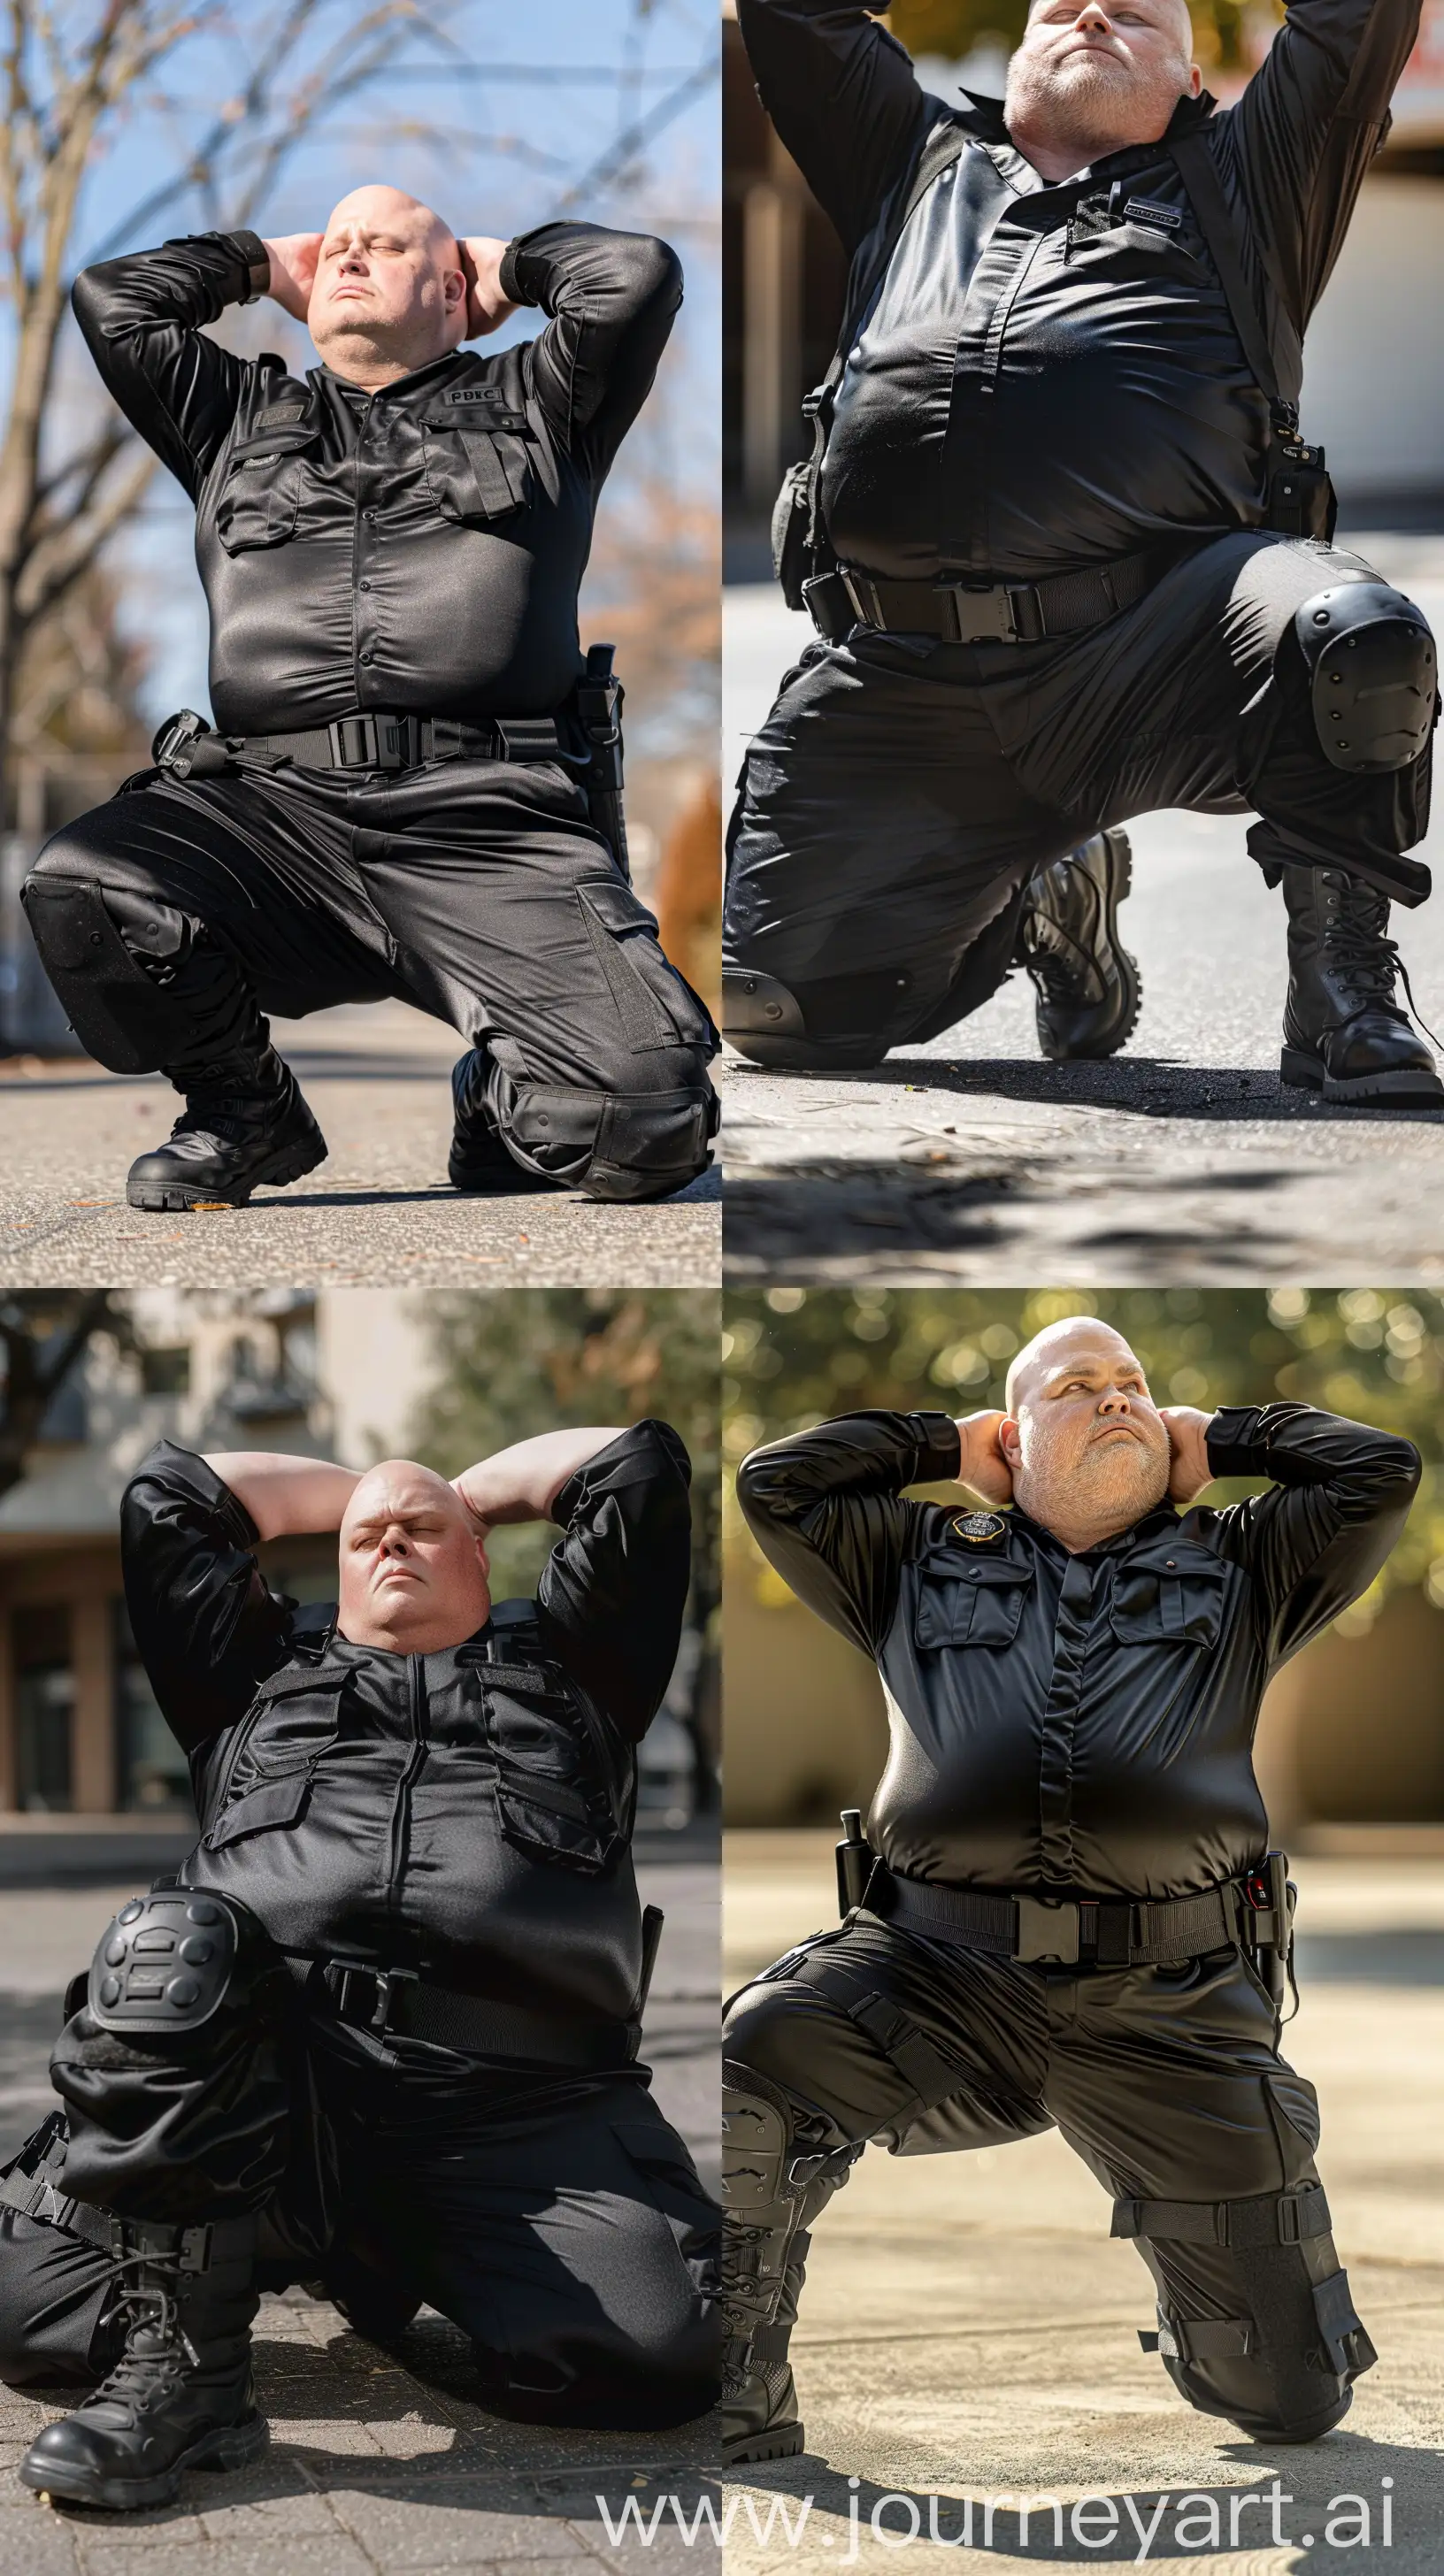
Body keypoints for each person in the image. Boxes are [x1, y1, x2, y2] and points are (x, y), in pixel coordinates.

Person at [720, 1318, 1419, 2463]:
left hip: (1174, 2012)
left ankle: (1226, 2323)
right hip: (940, 1984)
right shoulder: (914, 1556)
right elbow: (776, 1483)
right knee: (769, 2039)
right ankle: (731, 2385)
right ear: (1012, 1434)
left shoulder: (1248, 1560)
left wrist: (1222, 1436)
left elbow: (1381, 1468)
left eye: (1138, 1386)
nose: (1118, 1401)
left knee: (1290, 2398)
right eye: (1077, 1387)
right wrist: (942, 1439)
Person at [723, 0, 1441, 1103]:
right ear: (1015, 58)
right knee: (785, 1016)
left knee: (1357, 635)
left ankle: (1342, 990)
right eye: (1064, 5)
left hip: (1158, 655)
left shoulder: (1256, 174)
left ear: (1197, 79)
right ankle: (1050, 899)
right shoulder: (907, 161)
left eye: (1140, 15)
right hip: (900, 685)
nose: (1096, 11)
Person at [0, 1422, 718, 2511]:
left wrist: (449, 1484)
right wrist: (378, 1488)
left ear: (481, 1553)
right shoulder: (249, 1679)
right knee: (165, 1954)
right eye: (365, 1537)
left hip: (516, 2119)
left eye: (423, 1531)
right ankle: (187, 2367)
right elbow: (169, 1492)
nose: (391, 1544)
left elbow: (639, 1469)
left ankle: (392, 2254)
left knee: (662, 2356)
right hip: (251, 2110)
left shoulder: (576, 1677)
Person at [23, 187, 718, 1210]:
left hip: (487, 821)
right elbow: (112, 298)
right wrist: (260, 261)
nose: (348, 256)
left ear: (450, 284)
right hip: (272, 817)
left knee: (649, 1122)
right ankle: (241, 1110)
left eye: (384, 245)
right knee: (83, 882)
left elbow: (636, 276)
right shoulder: (232, 417)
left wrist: (506, 265)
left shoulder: (543, 398)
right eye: (336, 247)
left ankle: (499, 1088)